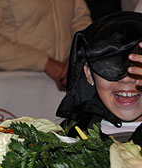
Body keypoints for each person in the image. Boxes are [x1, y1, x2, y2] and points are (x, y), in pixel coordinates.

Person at [57, 11, 142, 145]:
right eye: (109, 67)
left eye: (137, 67)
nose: (126, 79)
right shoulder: (69, 136)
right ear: (89, 74)